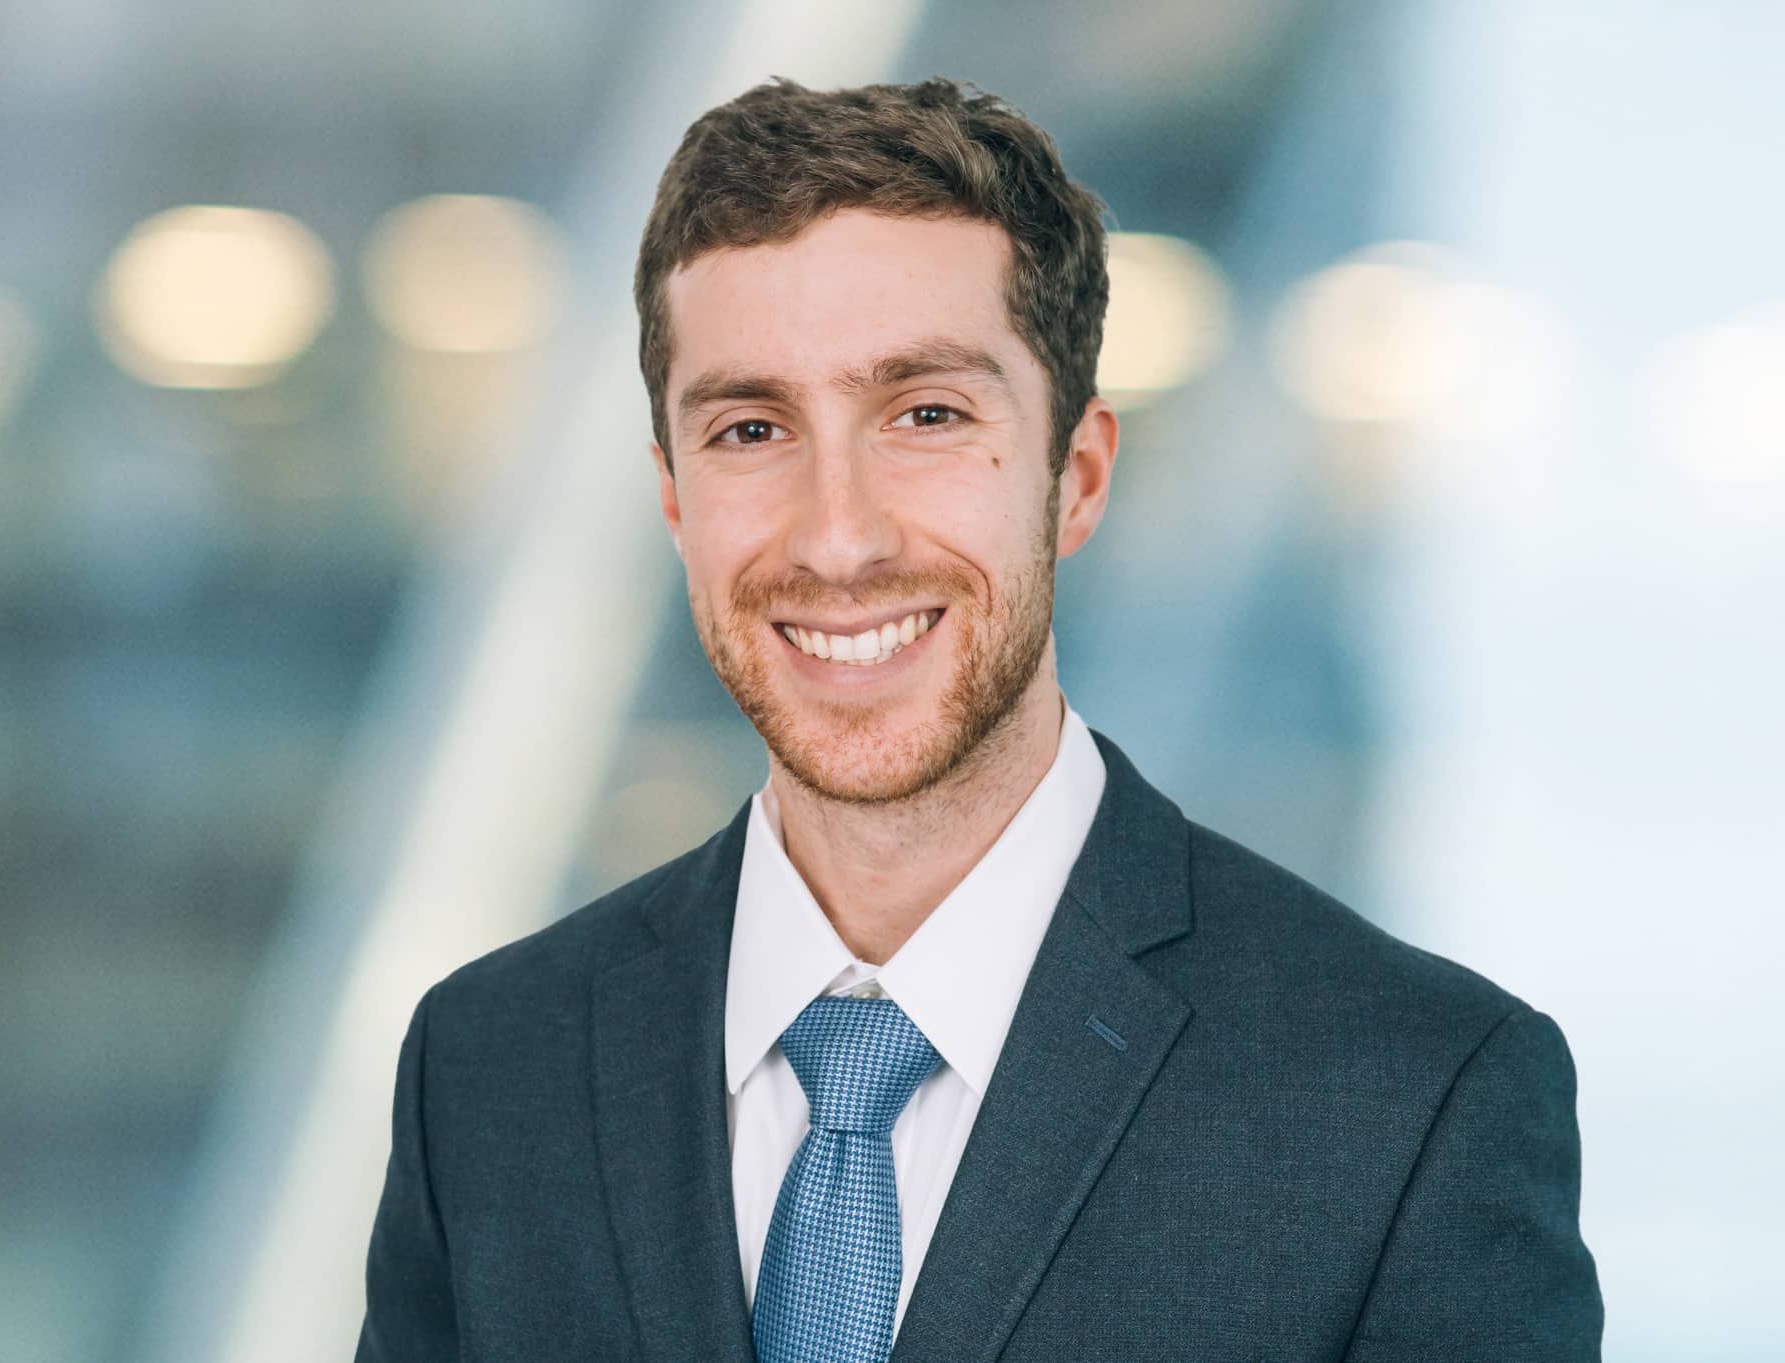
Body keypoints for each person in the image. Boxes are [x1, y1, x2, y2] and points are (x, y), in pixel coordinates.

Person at [356, 76, 1603, 1362]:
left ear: (1077, 478)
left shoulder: (1411, 1098)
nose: (835, 536)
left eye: (926, 414)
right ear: (675, 502)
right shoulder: (488, 1070)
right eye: (749, 426)